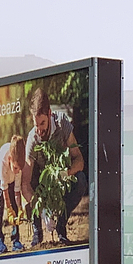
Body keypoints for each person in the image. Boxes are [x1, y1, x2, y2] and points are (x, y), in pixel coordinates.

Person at [25, 87, 86, 245]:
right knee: (28, 180)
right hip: (42, 185)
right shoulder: (33, 138)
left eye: (43, 123)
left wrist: (66, 173)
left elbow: (79, 159)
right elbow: (25, 183)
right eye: (36, 124)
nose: (39, 129)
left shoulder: (62, 124)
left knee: (80, 180)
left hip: (61, 180)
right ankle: (37, 231)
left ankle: (61, 225)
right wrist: (42, 209)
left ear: (50, 113)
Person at [0, 134, 28, 253]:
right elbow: (4, 189)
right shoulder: (3, 160)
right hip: (0, 178)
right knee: (0, 207)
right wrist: (9, 209)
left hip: (11, 180)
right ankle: (0, 241)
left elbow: (17, 191)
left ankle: (16, 240)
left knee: (15, 207)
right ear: (10, 159)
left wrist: (19, 207)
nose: (18, 171)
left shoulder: (19, 167)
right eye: (15, 167)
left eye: (19, 169)